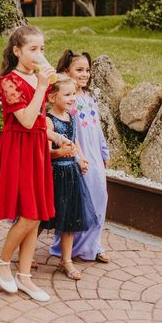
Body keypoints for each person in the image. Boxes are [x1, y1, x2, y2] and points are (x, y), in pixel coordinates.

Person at [0, 25, 60, 303]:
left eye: (42, 49)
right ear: (17, 51)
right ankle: (3, 261)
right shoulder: (8, 81)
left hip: (36, 146)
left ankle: (25, 277)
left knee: (36, 213)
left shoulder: (34, 78)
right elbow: (25, 120)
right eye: (33, 49)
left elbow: (38, 120)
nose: (40, 54)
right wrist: (42, 87)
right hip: (19, 148)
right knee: (28, 213)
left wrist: (53, 135)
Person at [49, 50, 111, 264]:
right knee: (77, 202)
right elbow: (65, 130)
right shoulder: (67, 98)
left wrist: (104, 150)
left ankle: (93, 245)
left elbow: (98, 127)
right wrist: (75, 156)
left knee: (99, 198)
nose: (85, 74)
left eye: (87, 70)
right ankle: (69, 246)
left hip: (94, 154)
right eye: (79, 70)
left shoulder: (90, 97)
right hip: (77, 155)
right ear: (67, 71)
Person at [40, 74, 97, 280]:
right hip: (55, 175)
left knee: (70, 219)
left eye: (74, 94)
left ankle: (66, 260)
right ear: (53, 97)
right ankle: (24, 253)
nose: (73, 98)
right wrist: (60, 153)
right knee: (42, 218)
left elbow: (74, 141)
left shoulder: (71, 117)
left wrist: (80, 158)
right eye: (67, 94)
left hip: (71, 175)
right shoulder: (48, 120)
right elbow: (46, 152)